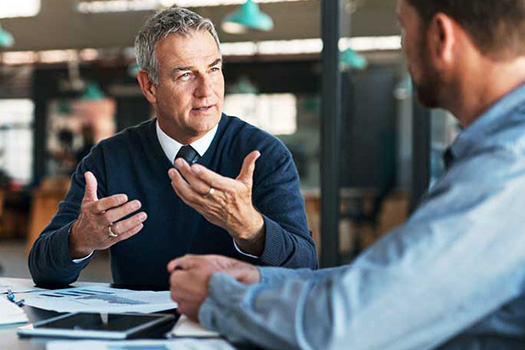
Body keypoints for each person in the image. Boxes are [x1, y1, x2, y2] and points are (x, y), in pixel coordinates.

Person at [167, 0, 525, 349]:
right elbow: (393, 284)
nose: (403, 45)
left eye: (403, 27)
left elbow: (344, 327)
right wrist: (260, 279)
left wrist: (219, 298)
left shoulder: (508, 167)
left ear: (440, 38)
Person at [29, 8, 317, 290]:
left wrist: (251, 228)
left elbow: (306, 268)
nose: (207, 90)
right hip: (136, 331)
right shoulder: (108, 159)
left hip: (232, 325)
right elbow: (42, 270)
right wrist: (79, 238)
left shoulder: (264, 155)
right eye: (186, 75)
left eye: (214, 69)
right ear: (149, 86)